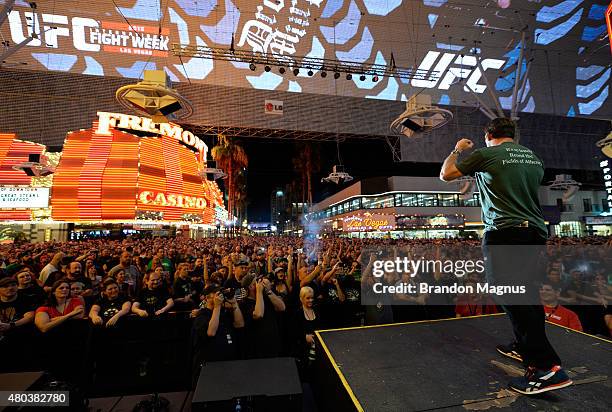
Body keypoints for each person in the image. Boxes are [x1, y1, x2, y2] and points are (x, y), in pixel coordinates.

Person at [440, 117, 571, 395]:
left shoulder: (488, 153)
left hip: (505, 232)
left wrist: (457, 149)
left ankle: (546, 366)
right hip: (534, 232)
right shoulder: (532, 158)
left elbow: (447, 174)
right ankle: (524, 345)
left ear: (489, 135)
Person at [192, 283, 244, 369]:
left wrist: (234, 304)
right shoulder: (201, 316)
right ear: (207, 298)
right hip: (211, 364)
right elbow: (211, 332)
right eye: (216, 293)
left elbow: (240, 324)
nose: (220, 295)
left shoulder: (225, 312)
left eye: (220, 292)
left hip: (229, 361)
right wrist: (217, 307)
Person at [239, 273, 286, 359]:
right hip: (257, 348)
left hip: (273, 343)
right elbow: (258, 314)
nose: (260, 284)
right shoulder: (244, 303)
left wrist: (268, 291)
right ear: (251, 287)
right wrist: (259, 292)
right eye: (256, 282)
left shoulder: (267, 297)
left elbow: (282, 307)